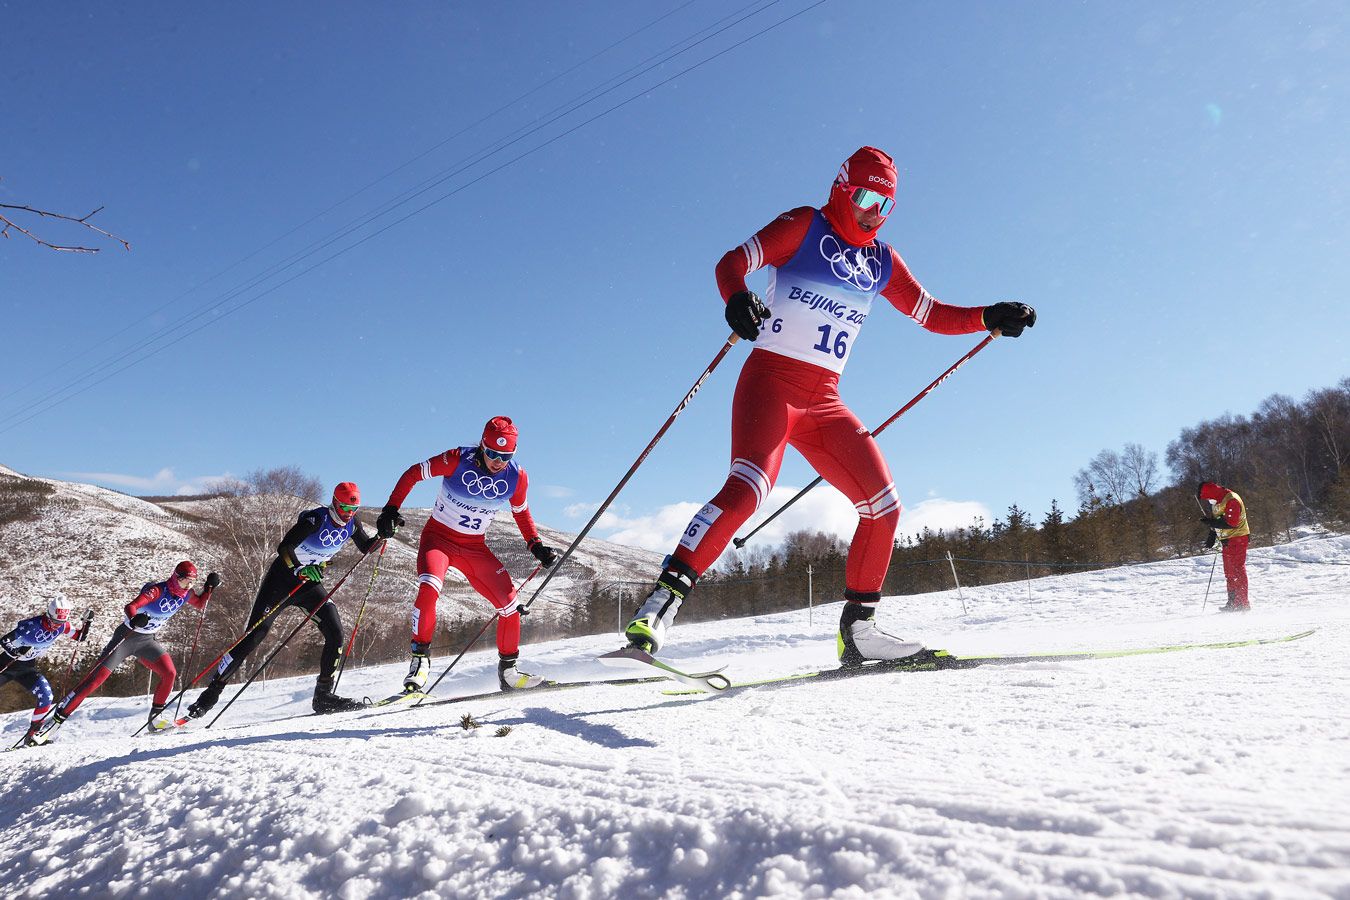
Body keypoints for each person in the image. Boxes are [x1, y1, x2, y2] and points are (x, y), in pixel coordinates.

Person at [624, 146, 1036, 665]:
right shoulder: (804, 225)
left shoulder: (883, 261)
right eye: (865, 195)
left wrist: (988, 315)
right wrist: (735, 297)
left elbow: (931, 314)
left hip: (823, 401)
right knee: (748, 491)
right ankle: (660, 604)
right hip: (770, 383)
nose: (873, 210)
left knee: (884, 507)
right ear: (843, 188)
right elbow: (733, 262)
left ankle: (859, 633)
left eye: (885, 203)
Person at [377, 416, 560, 693]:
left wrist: (535, 544)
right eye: (492, 453)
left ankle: (509, 674)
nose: (498, 461)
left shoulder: (517, 476)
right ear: (482, 446)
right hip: (438, 540)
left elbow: (521, 513)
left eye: (506, 455)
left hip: (474, 547)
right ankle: (419, 662)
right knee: (429, 588)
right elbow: (413, 473)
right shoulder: (456, 459)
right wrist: (390, 509)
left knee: (510, 606)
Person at [188, 483, 381, 717]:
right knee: (254, 637)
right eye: (344, 507)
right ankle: (208, 698)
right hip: (281, 581)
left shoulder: (352, 523)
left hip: (308, 585)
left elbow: (366, 547)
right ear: (334, 502)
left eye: (353, 508)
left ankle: (323, 697)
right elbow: (285, 547)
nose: (348, 513)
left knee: (336, 632)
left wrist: (384, 533)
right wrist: (299, 568)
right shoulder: (315, 520)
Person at [45, 562, 219, 737]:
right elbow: (131, 606)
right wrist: (135, 618)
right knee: (95, 681)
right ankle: (55, 722)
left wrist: (209, 588)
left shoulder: (186, 594)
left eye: (192, 582)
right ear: (177, 577)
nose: (189, 586)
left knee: (170, 673)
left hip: (146, 641)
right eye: (186, 581)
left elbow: (200, 604)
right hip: (126, 637)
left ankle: (155, 720)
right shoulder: (157, 591)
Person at [0, 595, 92, 746]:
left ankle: (32, 735)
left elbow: (79, 637)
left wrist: (87, 623)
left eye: (60, 622)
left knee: (46, 697)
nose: (57, 626)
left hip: (27, 669)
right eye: (54, 621)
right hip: (7, 665)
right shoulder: (31, 625)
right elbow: (5, 641)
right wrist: (16, 652)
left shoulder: (63, 626)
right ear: (48, 615)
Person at [1198, 481, 1251, 611]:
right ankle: (1233, 602)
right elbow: (1218, 520)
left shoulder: (1231, 499)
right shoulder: (1217, 502)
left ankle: (1242, 603)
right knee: (1229, 573)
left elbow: (1231, 522)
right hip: (1227, 541)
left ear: (1212, 493)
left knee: (1237, 571)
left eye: (1208, 497)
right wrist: (1212, 535)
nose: (1209, 501)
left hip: (1237, 538)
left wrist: (1211, 522)